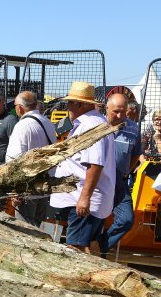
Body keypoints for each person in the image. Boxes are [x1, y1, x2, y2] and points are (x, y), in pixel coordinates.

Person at [49, 82, 116, 253]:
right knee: (89, 244)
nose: (68, 107)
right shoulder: (93, 122)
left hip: (83, 199)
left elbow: (95, 164)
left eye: (69, 103)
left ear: (79, 104)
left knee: (75, 248)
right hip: (86, 198)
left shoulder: (90, 125)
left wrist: (84, 198)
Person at [96, 93, 142, 254]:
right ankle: (94, 250)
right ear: (106, 108)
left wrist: (126, 171)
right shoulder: (97, 125)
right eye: (116, 111)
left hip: (119, 181)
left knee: (126, 220)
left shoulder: (133, 128)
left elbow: (136, 153)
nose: (120, 115)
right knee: (96, 219)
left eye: (123, 111)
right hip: (98, 180)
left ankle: (99, 247)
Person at [5, 91, 57, 227]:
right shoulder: (48, 122)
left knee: (25, 232)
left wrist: (14, 191)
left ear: (20, 107)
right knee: (39, 229)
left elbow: (14, 161)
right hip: (44, 188)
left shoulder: (21, 126)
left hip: (27, 191)